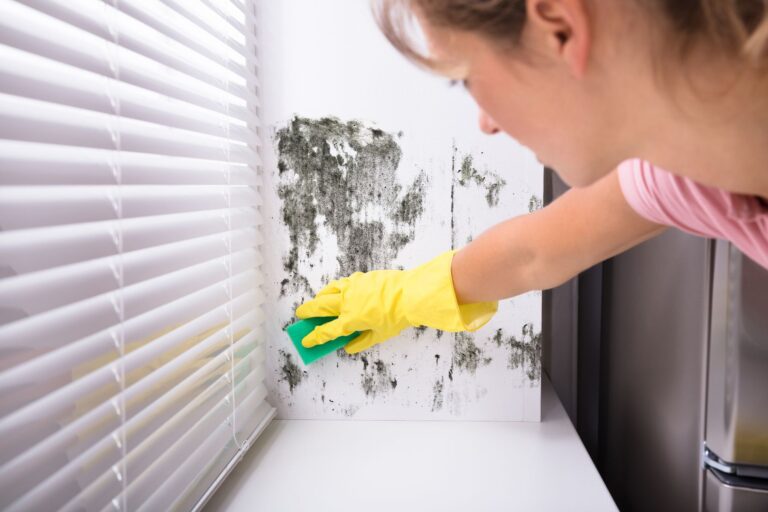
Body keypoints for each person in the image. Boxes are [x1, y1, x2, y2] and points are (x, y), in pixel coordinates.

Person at [297, 0, 768, 355]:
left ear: (559, 30)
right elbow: (532, 254)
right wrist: (399, 298)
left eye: (465, 77)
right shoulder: (685, 176)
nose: (486, 121)